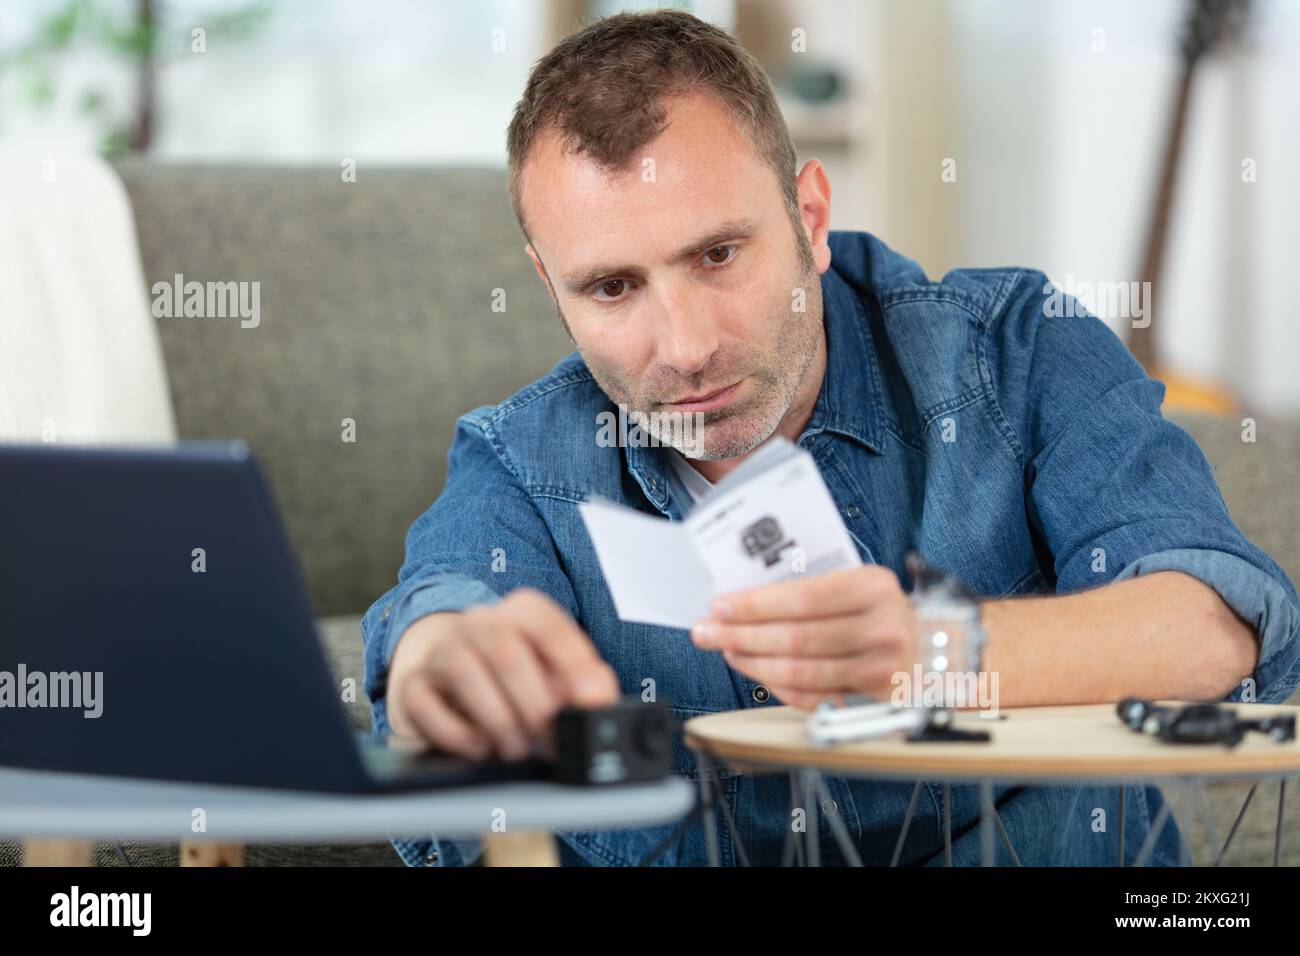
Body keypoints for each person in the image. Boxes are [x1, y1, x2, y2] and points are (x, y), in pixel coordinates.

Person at [363, 9, 1300, 866]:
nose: (687, 350)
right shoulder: (521, 462)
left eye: (718, 254)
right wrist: (438, 668)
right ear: (548, 282)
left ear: (809, 217)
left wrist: (937, 656)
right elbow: (440, 617)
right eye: (611, 288)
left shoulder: (1016, 349)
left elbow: (1213, 623)